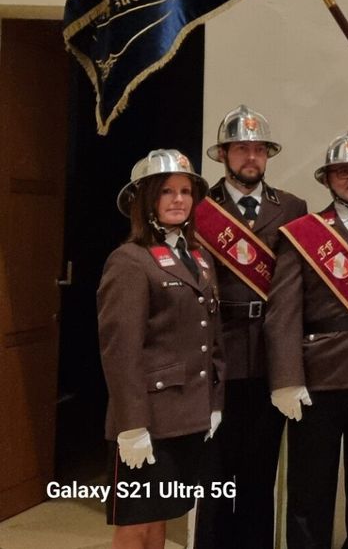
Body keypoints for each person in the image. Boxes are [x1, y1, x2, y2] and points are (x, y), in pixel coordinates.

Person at [265, 132, 348, 549]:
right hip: (317, 381)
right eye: (343, 171)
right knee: (310, 489)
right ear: (328, 179)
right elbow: (284, 312)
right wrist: (286, 378)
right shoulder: (303, 233)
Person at [193, 105, 307, 549]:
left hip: (267, 356)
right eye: (242, 148)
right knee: (214, 479)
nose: (251, 157)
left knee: (259, 478)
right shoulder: (200, 209)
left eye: (258, 149)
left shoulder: (293, 207)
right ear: (224, 153)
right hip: (216, 356)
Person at [97, 149, 223, 549]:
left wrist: (213, 401)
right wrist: (131, 425)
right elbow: (121, 350)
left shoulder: (199, 258)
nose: (179, 199)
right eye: (166, 191)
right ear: (144, 200)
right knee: (135, 523)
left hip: (187, 414)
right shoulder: (129, 260)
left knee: (162, 517)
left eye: (186, 191)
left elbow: (212, 336)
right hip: (148, 419)